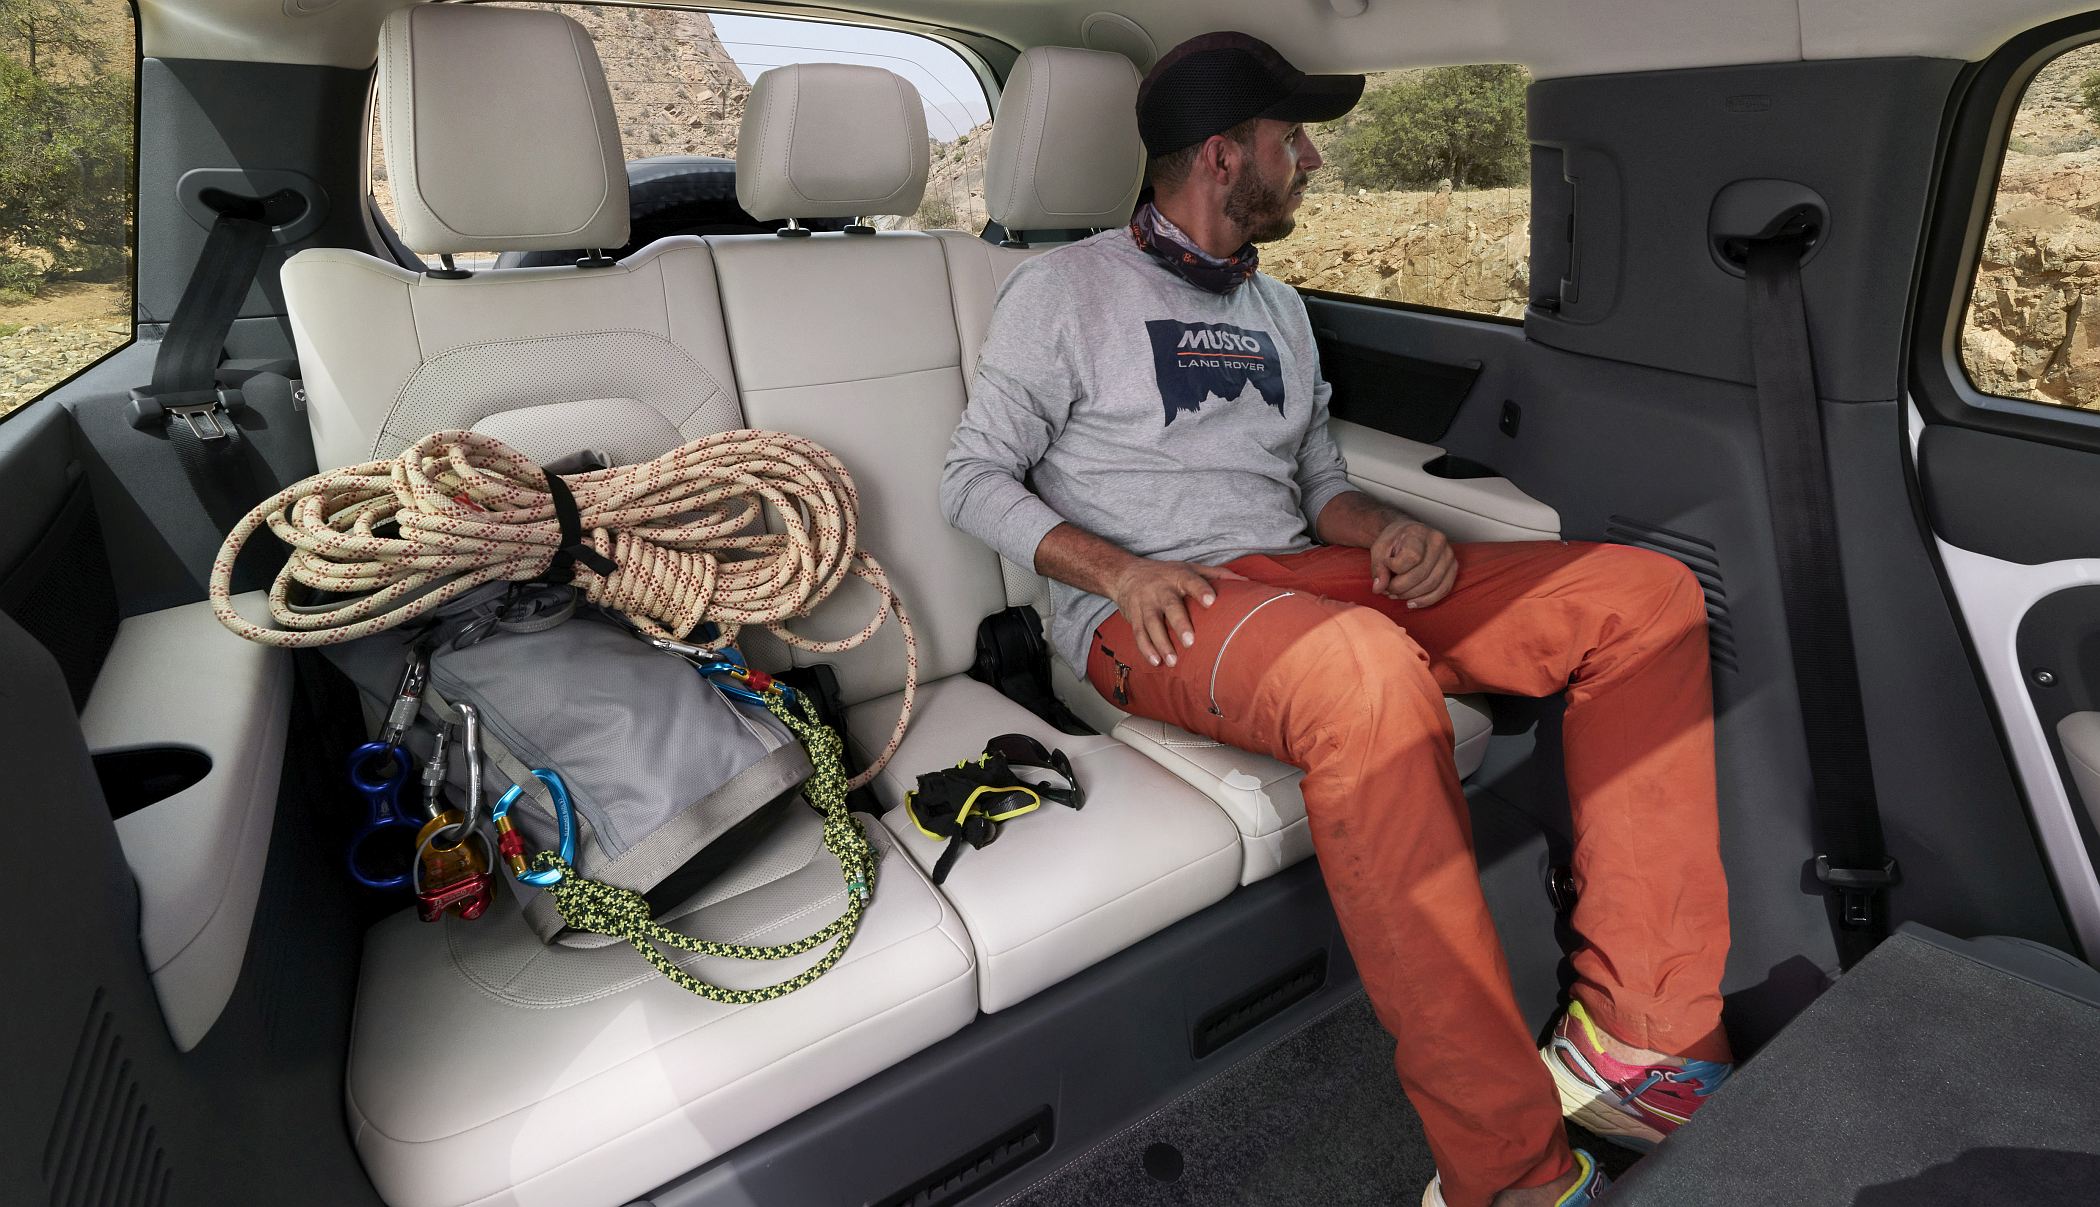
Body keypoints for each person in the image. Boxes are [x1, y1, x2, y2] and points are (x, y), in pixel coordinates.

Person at [940, 31, 1734, 1207]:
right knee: (1361, 669)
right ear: (1222, 156)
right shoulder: (1061, 294)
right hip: (1156, 610)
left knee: (1642, 598)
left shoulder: (1278, 307)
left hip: (1302, 577)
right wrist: (1118, 572)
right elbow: (969, 480)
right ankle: (1507, 1170)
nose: (1310, 160)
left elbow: (1318, 484)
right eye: (1291, 140)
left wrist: (1385, 532)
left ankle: (1640, 1046)